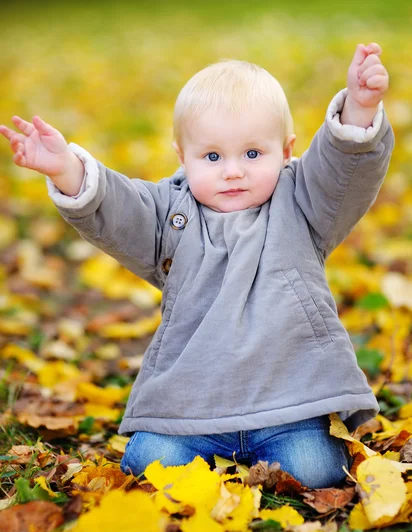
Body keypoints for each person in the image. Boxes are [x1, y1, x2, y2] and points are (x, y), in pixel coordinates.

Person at [0, 43, 393, 488]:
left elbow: (342, 172)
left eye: (252, 154)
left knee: (316, 470)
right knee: (148, 460)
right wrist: (67, 169)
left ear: (285, 151)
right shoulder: (169, 213)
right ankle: (207, 458)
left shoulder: (304, 204)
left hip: (290, 406)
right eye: (212, 156)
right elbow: (120, 210)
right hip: (192, 412)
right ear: (182, 157)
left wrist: (360, 110)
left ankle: (279, 452)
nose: (232, 172)